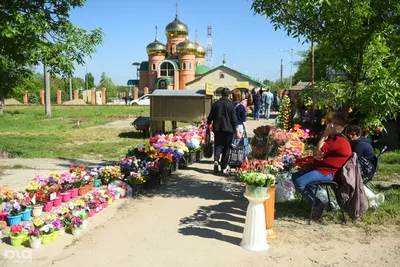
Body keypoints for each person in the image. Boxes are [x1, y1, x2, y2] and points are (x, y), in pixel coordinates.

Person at [292, 112, 352, 220]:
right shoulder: (333, 138)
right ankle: (316, 201)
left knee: (299, 181)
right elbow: (318, 154)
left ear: (342, 128)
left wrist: (325, 134)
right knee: (295, 176)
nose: (332, 125)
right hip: (321, 169)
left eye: (336, 124)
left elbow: (317, 151)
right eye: (331, 122)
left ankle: (318, 204)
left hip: (328, 173)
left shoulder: (338, 140)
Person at [207, 88, 241, 174]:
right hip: (228, 130)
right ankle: (223, 166)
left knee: (218, 145)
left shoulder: (215, 104)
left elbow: (210, 116)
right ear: (228, 94)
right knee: (226, 148)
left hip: (217, 128)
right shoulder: (230, 105)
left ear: (221, 94)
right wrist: (237, 131)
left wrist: (207, 125)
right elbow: (234, 119)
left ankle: (216, 160)